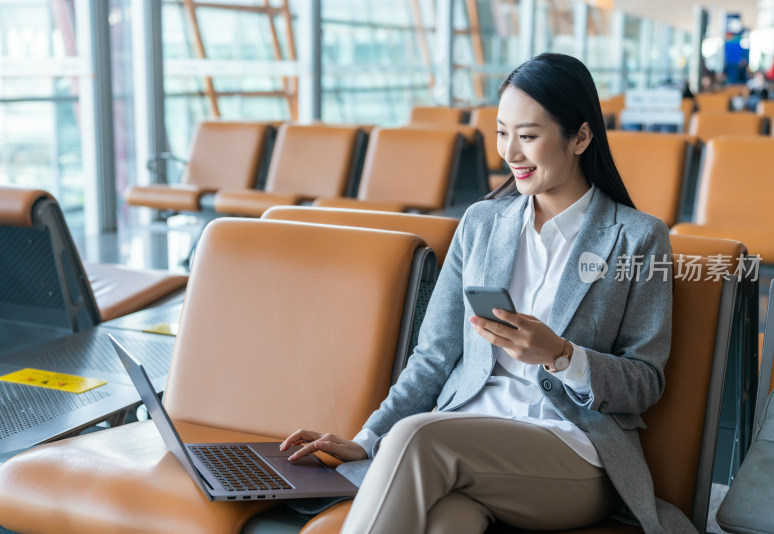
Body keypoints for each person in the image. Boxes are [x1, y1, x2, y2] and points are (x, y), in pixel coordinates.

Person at [280, 53, 695, 534]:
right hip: (465, 440)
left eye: (529, 135)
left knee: (418, 436)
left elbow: (645, 381)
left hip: (573, 455)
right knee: (444, 523)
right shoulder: (481, 224)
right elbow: (434, 354)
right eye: (502, 132)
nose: (510, 153)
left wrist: (563, 356)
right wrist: (370, 436)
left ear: (580, 137)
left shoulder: (637, 237)